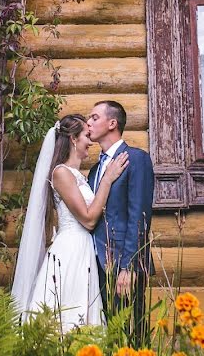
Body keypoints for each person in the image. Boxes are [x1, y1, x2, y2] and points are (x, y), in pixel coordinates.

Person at [11, 114, 129, 331]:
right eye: (86, 135)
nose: (90, 141)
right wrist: (108, 180)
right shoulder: (61, 173)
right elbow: (88, 218)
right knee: (66, 315)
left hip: (84, 250)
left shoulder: (80, 175)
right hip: (69, 253)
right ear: (73, 139)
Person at [86, 100, 154, 346]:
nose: (88, 123)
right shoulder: (94, 170)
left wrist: (129, 267)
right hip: (95, 265)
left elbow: (139, 216)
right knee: (106, 337)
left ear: (112, 123)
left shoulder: (136, 159)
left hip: (123, 266)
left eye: (94, 117)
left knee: (130, 335)